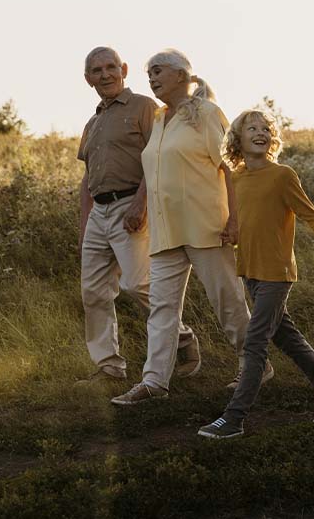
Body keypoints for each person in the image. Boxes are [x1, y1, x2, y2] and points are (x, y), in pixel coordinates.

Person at [111, 49, 261, 405]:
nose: (151, 78)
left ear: (181, 75)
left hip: (207, 225)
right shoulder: (161, 118)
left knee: (227, 301)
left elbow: (230, 168)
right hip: (166, 231)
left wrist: (236, 219)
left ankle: (254, 364)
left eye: (158, 71)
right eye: (149, 73)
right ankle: (154, 382)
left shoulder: (206, 114)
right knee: (162, 308)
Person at [198, 110, 314, 438]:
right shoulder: (235, 178)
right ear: (237, 138)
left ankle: (234, 418)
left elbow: (308, 214)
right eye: (252, 127)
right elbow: (242, 220)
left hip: (277, 273)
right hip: (250, 271)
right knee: (287, 338)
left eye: (266, 128)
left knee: (254, 342)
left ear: (272, 138)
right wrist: (230, 234)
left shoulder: (282, 175)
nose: (261, 132)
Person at [76, 46, 199, 386]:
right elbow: (88, 178)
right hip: (98, 213)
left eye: (111, 67)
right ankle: (109, 367)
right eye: (97, 71)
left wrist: (140, 203)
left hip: (130, 204)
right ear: (88, 79)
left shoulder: (144, 107)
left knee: (137, 283)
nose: (105, 75)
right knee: (93, 292)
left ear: (124, 69)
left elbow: (157, 157)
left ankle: (183, 338)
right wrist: (85, 223)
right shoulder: (93, 122)